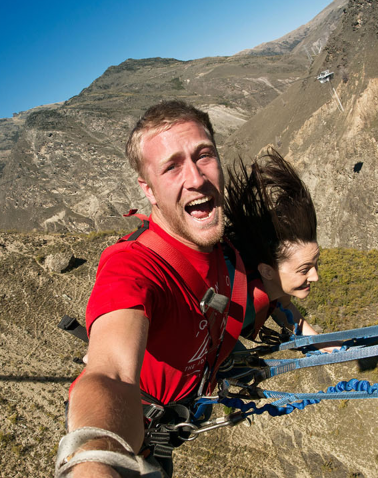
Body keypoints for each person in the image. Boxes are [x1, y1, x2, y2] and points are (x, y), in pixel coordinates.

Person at [57, 101, 248, 478]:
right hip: (131, 431)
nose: (195, 178)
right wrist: (94, 462)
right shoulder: (133, 265)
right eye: (172, 166)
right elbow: (110, 374)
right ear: (149, 190)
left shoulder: (224, 248)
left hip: (167, 424)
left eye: (203, 155)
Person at [223, 146, 329, 345]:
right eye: (304, 269)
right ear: (267, 271)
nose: (315, 276)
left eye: (315, 265)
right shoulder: (234, 297)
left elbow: (284, 308)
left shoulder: (271, 284)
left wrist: (325, 344)